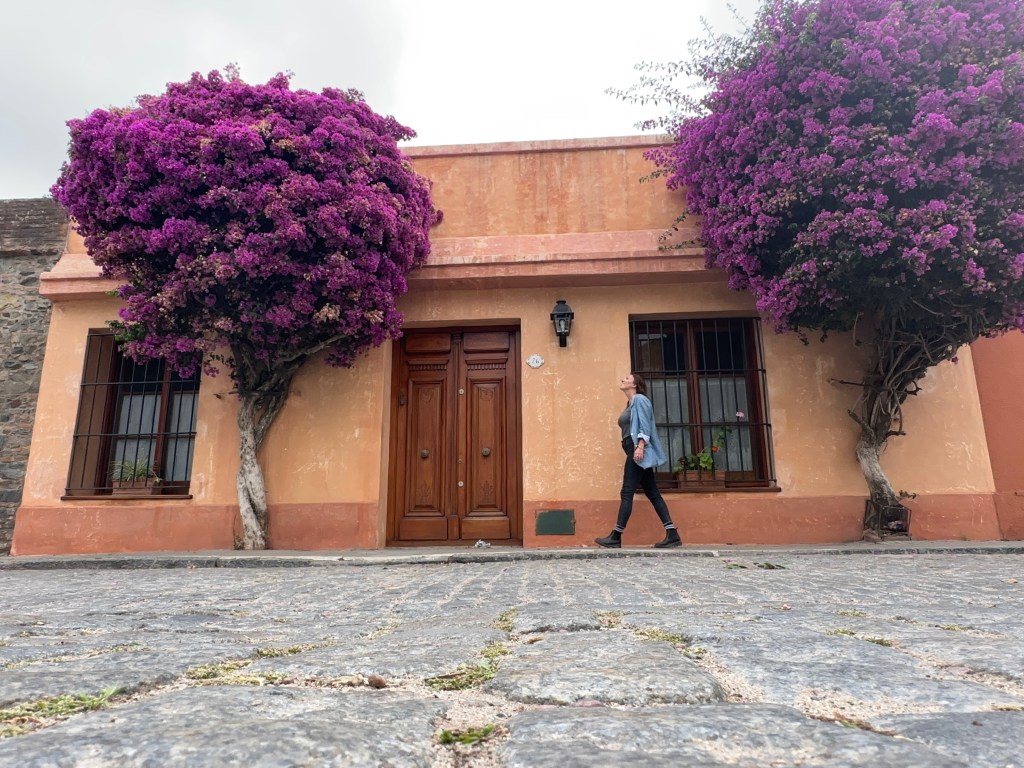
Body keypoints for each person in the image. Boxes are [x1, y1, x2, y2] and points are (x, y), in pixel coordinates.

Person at [595, 373, 682, 548]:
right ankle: (672, 534)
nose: (623, 380)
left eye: (627, 378)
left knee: (627, 492)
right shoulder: (631, 403)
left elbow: (644, 425)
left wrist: (640, 446)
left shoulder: (639, 399)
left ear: (635, 385)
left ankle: (616, 536)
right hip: (634, 449)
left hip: (636, 451)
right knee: (653, 493)